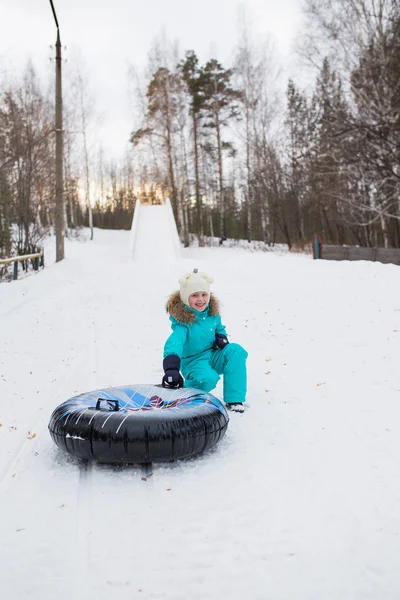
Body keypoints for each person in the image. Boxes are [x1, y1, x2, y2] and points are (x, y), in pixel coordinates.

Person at [162, 268, 248, 412]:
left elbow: (219, 327)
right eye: (194, 295)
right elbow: (174, 344)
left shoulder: (212, 313)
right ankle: (184, 390)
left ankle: (234, 399)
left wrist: (221, 337)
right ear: (185, 298)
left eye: (204, 294)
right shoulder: (183, 324)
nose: (201, 299)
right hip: (193, 361)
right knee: (207, 379)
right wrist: (171, 368)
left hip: (213, 354)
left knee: (236, 351)